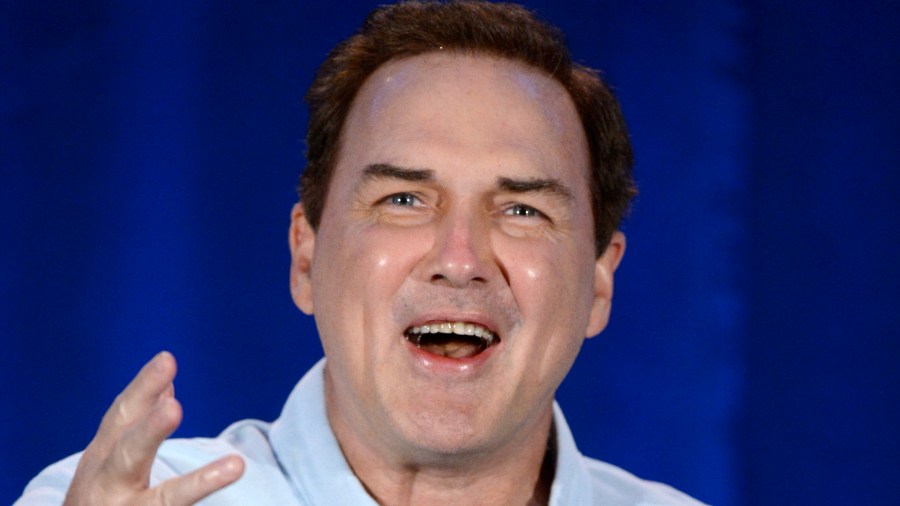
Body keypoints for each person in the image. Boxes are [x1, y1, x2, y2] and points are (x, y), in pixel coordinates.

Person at [17, 1, 704, 504]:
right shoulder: (108, 499)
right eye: (403, 199)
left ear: (601, 282)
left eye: (522, 210)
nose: (459, 258)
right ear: (306, 258)